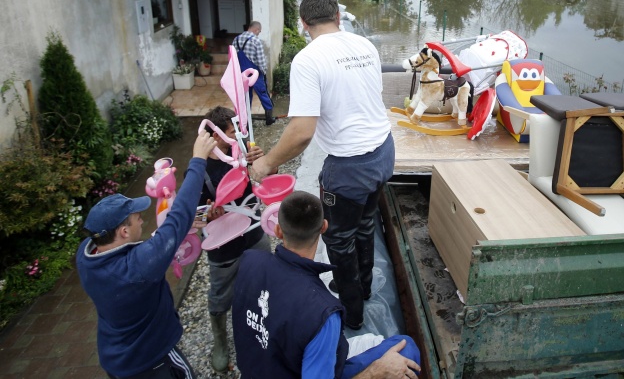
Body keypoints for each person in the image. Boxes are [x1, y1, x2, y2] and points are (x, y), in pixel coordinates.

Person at [251, 0, 394, 330]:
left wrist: (266, 163)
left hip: (349, 167)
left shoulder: (307, 59)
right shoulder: (365, 46)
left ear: (304, 24)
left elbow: (302, 131)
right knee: (365, 222)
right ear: (338, 17)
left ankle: (353, 314)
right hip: (384, 151)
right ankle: (366, 287)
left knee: (339, 241)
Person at [232, 191, 420, 378]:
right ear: (324, 227)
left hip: (258, 368)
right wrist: (375, 372)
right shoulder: (322, 313)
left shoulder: (249, 261)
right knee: (406, 349)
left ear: (278, 230)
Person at [77, 132, 217, 379]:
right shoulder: (139, 268)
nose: (142, 218)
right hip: (152, 362)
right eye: (136, 218)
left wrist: (166, 236)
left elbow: (147, 252)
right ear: (123, 231)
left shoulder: (87, 254)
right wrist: (198, 158)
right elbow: (179, 215)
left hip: (117, 360)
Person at [199, 106, 272, 371]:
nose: (239, 137)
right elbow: (195, 217)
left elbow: (267, 183)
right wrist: (209, 215)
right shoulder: (201, 170)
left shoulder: (243, 152)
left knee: (264, 281)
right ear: (216, 137)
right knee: (220, 294)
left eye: (239, 131)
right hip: (223, 247)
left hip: (254, 232)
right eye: (232, 133)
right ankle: (220, 340)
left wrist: (263, 162)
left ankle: (261, 323)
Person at [233, 20, 276, 125]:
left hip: (242, 74)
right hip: (255, 74)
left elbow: (233, 59)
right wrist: (264, 73)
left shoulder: (236, 39)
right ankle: (269, 118)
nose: (258, 33)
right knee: (263, 94)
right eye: (259, 31)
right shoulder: (256, 41)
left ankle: (246, 122)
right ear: (256, 29)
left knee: (245, 97)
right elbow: (261, 62)